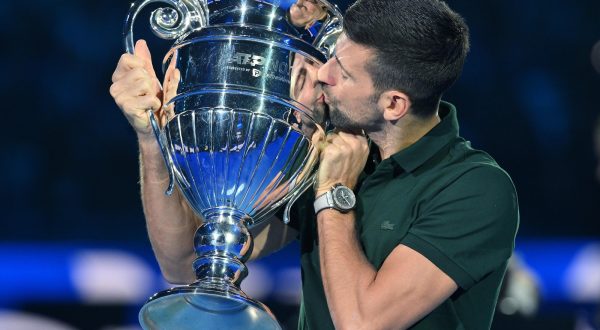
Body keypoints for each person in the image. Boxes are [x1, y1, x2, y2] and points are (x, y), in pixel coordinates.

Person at [110, 1, 519, 329]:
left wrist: (333, 195)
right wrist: (151, 135)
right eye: (332, 57)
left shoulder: (476, 188)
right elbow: (182, 265)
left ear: (394, 103)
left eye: (341, 72)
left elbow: (362, 323)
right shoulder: (334, 151)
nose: (321, 74)